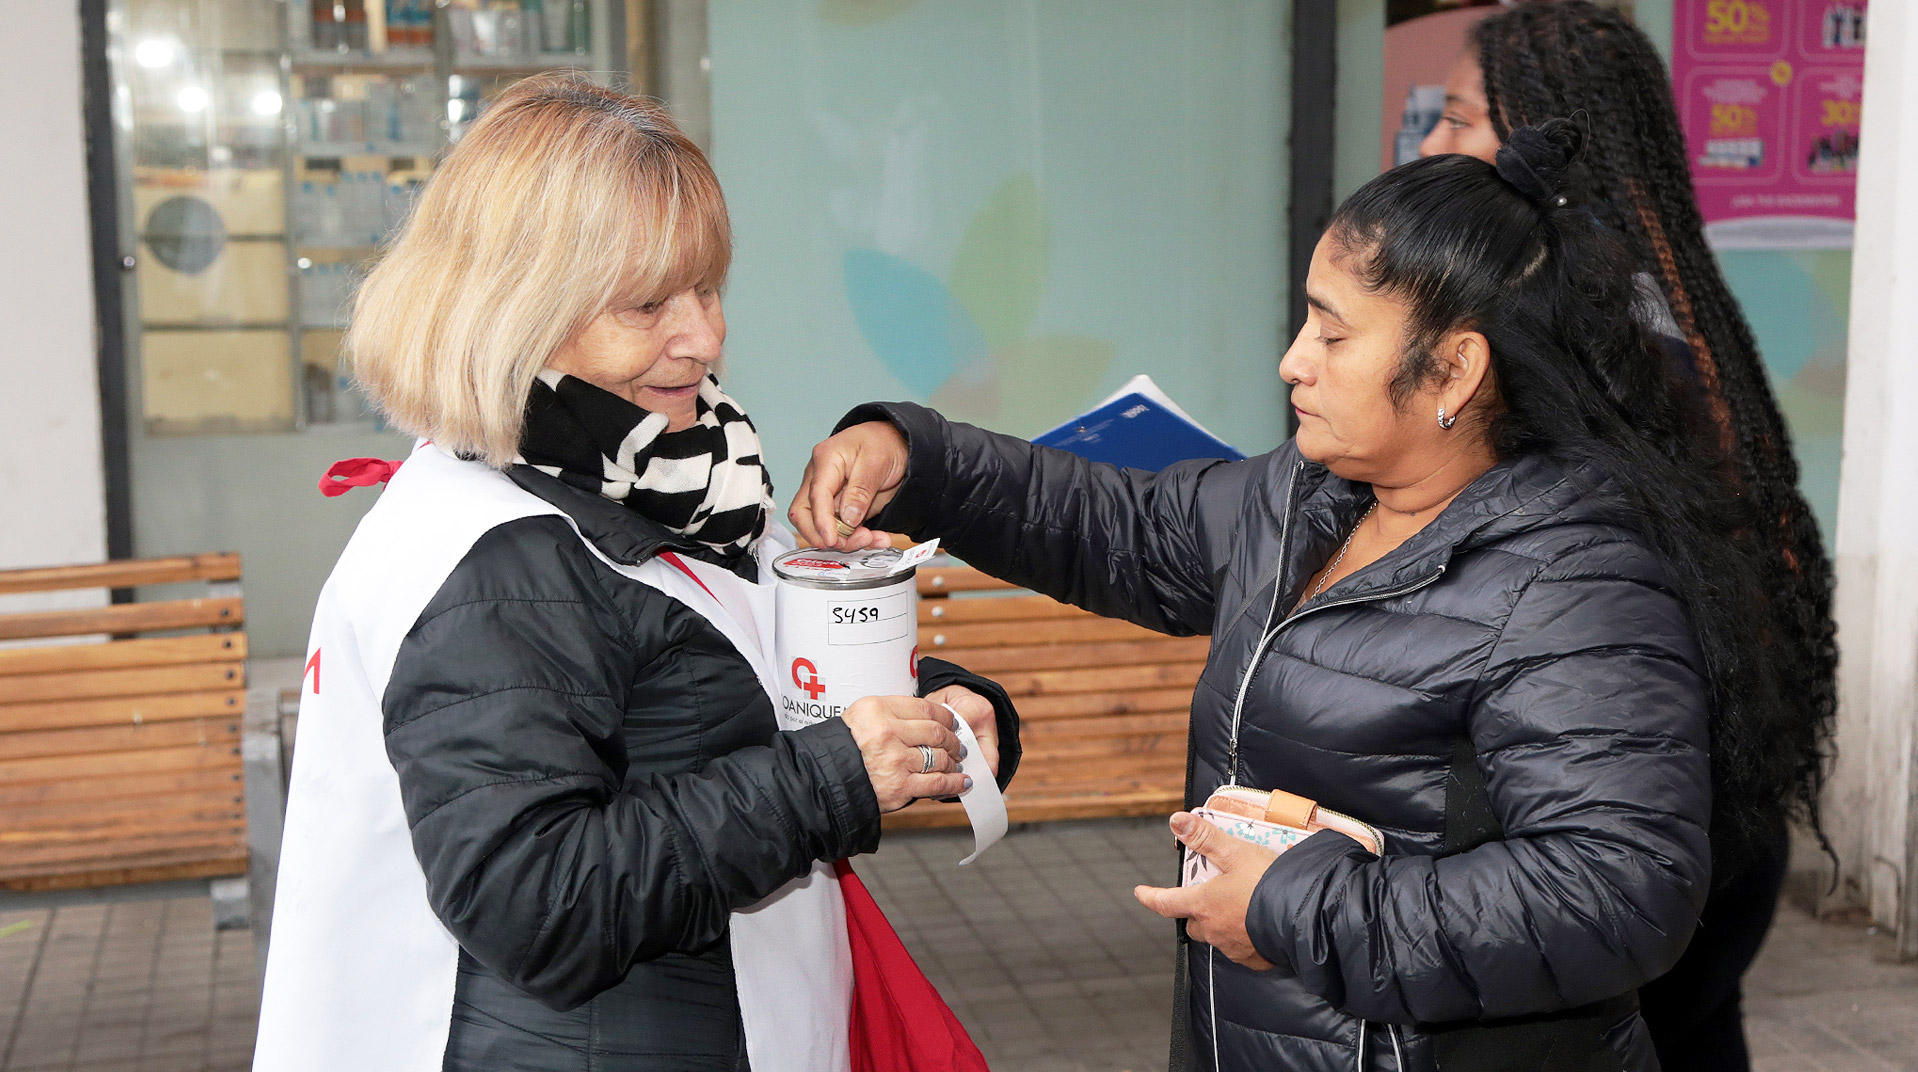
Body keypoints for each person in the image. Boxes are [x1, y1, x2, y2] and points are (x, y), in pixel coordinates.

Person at [792, 119, 1797, 1072]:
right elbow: (1119, 524)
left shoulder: (1571, 581)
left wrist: (1297, 909)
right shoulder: (1307, 495)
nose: (1292, 363)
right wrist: (914, 456)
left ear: (1454, 368)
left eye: (1332, 334)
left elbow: (1616, 892)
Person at [252, 74, 1019, 1072]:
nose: (705, 336)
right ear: (514, 315)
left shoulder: (636, 478)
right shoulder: (493, 559)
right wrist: (831, 778)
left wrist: (919, 701)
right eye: (648, 303)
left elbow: (703, 702)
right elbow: (538, 900)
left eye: (708, 288)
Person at [1420, 6, 1838, 1068]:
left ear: (1545, 145)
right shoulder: (1652, 309)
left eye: (1459, 120)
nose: (1430, 146)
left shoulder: (1563, 340)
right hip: (1706, 817)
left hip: (1626, 828)